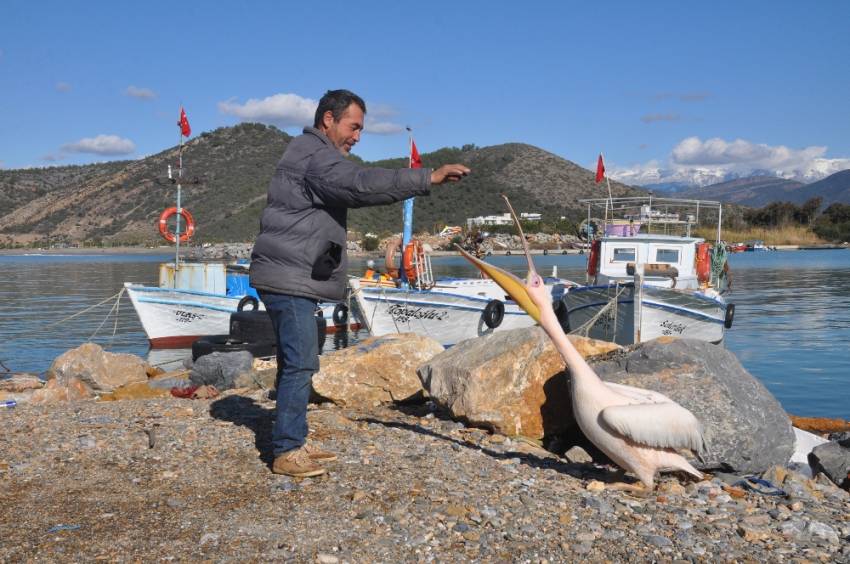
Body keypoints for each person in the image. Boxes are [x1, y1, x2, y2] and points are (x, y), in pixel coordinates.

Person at [249, 89, 470, 477]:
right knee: (300, 360)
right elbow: (360, 184)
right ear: (328, 120)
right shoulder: (316, 157)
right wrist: (427, 178)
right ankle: (287, 451)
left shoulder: (307, 152)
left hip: (288, 273)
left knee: (295, 360)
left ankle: (293, 438)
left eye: (361, 129)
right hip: (290, 277)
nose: (357, 136)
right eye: (354, 127)